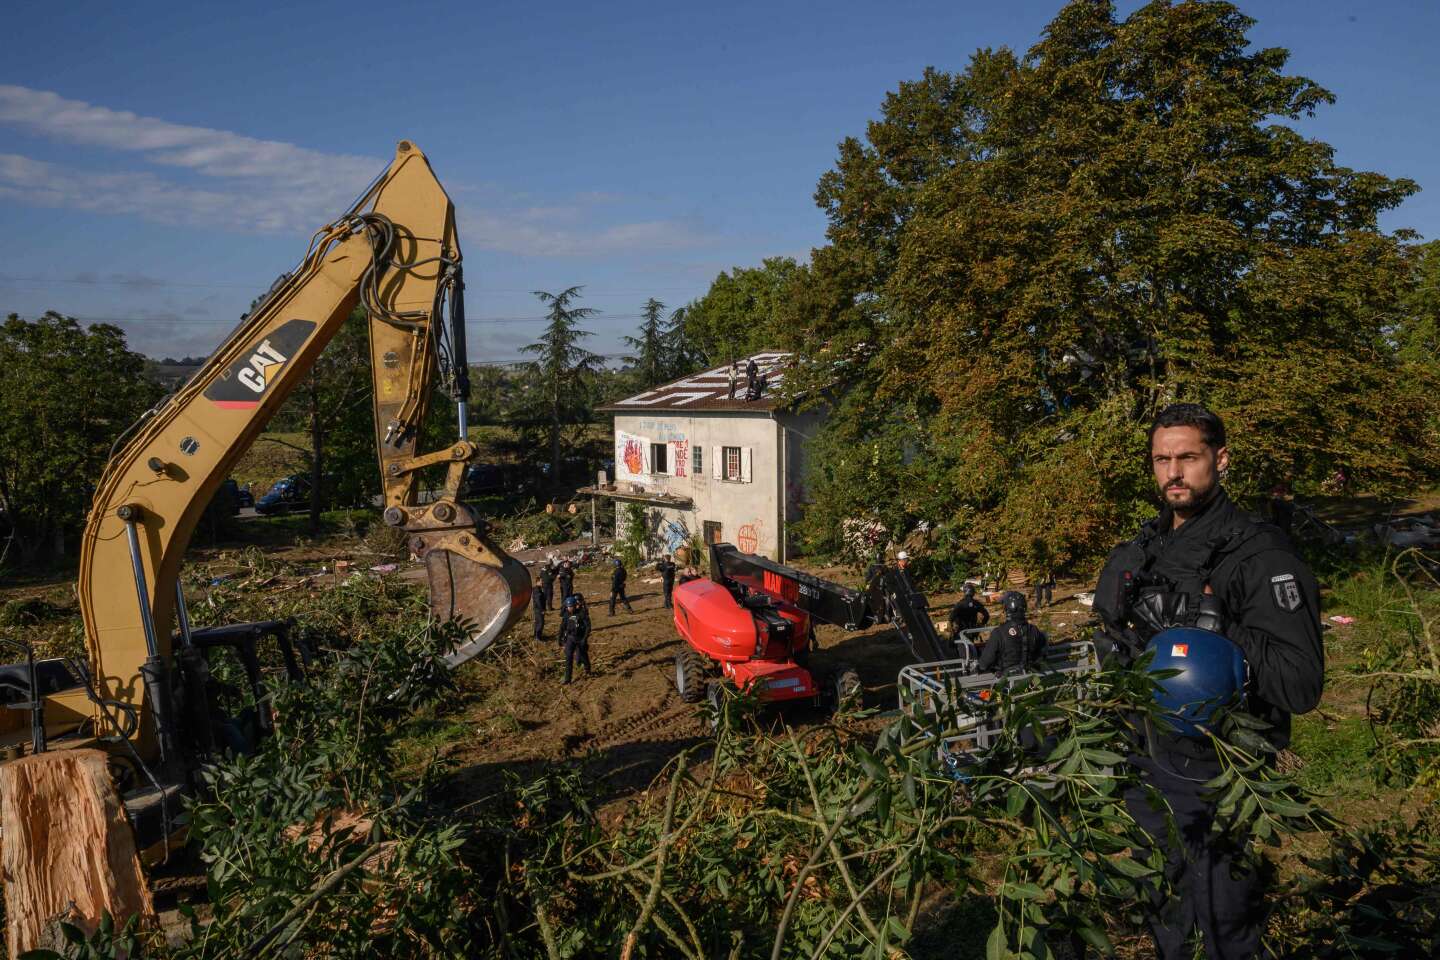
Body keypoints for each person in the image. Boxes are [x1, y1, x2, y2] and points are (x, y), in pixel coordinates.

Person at [1093, 403, 1323, 960]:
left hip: (1220, 774)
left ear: (1220, 460)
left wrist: (1216, 630)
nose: (1173, 472)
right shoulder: (1144, 550)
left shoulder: (1259, 555)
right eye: (1161, 459)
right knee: (1165, 903)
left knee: (1225, 919)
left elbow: (1301, 684)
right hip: (1146, 758)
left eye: (1188, 458)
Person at [976, 591, 1046, 675]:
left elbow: (984, 663)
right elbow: (1041, 653)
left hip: (1007, 680)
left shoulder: (999, 633)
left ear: (1007, 609)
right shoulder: (1034, 630)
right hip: (1031, 677)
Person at [560, 593, 592, 684]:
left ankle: (587, 668)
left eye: (571, 606)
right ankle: (567, 678)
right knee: (568, 657)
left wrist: (584, 639)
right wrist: (561, 639)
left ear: (575, 605)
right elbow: (562, 627)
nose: (569, 608)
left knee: (583, 655)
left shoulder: (582, 614)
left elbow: (588, 627)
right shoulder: (566, 615)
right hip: (570, 639)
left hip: (580, 638)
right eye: (568, 606)